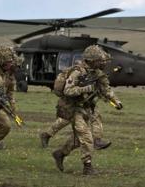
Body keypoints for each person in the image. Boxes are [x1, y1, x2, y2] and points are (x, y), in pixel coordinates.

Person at [51, 45, 123, 175]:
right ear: (91, 60)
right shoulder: (78, 72)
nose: (103, 63)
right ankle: (87, 167)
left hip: (88, 106)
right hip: (73, 108)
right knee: (86, 137)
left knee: (79, 139)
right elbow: (67, 91)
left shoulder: (98, 73)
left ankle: (60, 153)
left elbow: (105, 90)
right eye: (99, 60)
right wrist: (85, 89)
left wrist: (115, 101)